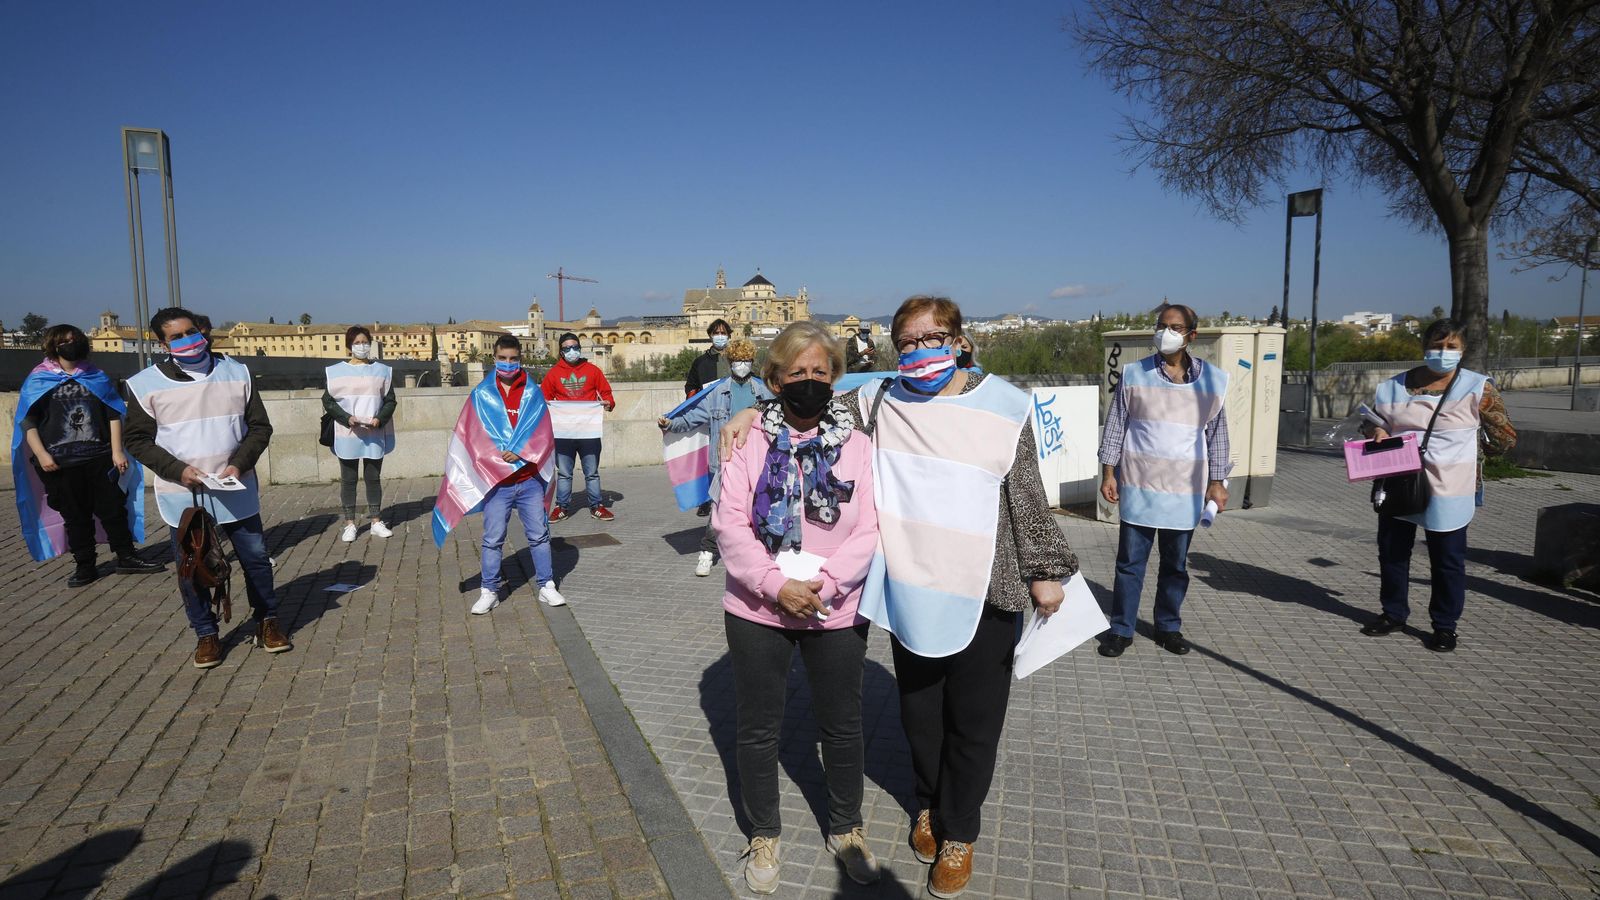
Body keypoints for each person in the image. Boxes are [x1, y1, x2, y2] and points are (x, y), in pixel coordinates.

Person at [723, 295, 1077, 899]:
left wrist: (1045, 569)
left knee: (975, 720)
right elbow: (808, 401)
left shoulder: (1005, 405)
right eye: (907, 342)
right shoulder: (880, 402)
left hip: (987, 585)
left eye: (931, 338)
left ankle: (959, 831)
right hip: (914, 586)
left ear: (959, 340)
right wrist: (748, 415)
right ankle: (926, 807)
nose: (919, 351)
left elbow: (1025, 492)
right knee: (920, 717)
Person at [712, 321, 880, 893]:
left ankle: (846, 827)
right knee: (758, 728)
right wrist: (771, 583)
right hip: (758, 607)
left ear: (834, 376)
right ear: (774, 379)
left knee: (842, 725)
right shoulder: (747, 440)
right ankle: (764, 832)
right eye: (796, 373)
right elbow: (729, 522)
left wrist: (827, 586)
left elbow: (870, 529)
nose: (808, 382)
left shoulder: (859, 446)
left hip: (835, 607)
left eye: (819, 372)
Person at [123, 307, 289, 668]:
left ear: (201, 330)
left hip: (235, 485)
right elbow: (136, 439)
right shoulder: (144, 384)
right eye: (176, 336)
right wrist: (177, 470)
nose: (187, 340)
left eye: (190, 332)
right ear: (162, 343)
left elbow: (259, 426)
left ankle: (267, 621)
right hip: (183, 493)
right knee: (192, 566)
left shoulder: (237, 371)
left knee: (256, 559)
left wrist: (239, 464)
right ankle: (206, 634)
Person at [1358, 318, 1516, 652]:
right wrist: (1377, 433)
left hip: (1450, 486)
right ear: (1423, 347)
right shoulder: (1391, 387)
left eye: (1451, 347)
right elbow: (1371, 423)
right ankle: (1393, 613)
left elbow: (1504, 437)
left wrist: (1476, 452)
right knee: (1392, 551)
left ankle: (1444, 626)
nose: (1442, 353)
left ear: (1463, 350)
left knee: (1447, 559)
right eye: (1436, 345)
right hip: (1399, 478)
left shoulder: (1477, 387)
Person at [1096, 303, 1230, 658]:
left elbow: (1218, 435)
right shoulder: (1135, 374)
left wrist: (1218, 482)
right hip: (1139, 485)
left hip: (1185, 491)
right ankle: (1121, 629)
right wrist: (1109, 472)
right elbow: (1116, 426)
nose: (1165, 332)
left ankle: (1168, 627)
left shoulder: (1212, 381)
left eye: (1174, 327)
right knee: (1129, 564)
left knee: (1175, 566)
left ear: (1191, 335)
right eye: (1161, 325)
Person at [12, 325, 164, 585]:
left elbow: (113, 413)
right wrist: (41, 453)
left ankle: (126, 556)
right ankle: (85, 565)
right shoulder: (39, 379)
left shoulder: (97, 376)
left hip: (99, 457)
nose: (72, 344)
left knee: (113, 510)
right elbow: (28, 421)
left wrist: (117, 452)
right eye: (65, 341)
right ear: (53, 346)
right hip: (59, 463)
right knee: (75, 516)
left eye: (75, 339)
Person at [448, 335, 567, 614]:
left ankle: (546, 585)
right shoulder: (481, 394)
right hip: (497, 482)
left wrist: (521, 451)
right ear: (495, 359)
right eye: (503, 358)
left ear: (520, 359)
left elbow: (544, 431)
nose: (508, 363)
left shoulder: (532, 392)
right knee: (493, 538)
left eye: (514, 359)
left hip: (528, 480)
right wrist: (498, 455)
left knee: (539, 535)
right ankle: (489, 590)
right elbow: (471, 435)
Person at [657, 338, 773, 576]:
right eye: (737, 360)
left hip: (757, 461)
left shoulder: (763, 392)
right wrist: (671, 423)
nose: (741, 364)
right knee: (719, 508)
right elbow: (692, 417)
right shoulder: (717, 393)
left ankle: (757, 556)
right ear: (730, 362)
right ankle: (707, 552)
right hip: (724, 460)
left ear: (752, 361)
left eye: (746, 360)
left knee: (758, 507)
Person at [322, 326, 398, 541]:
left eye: (365, 342)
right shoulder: (335, 371)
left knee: (373, 478)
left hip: (374, 431)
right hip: (348, 431)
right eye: (356, 343)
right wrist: (346, 418)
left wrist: (379, 418)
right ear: (349, 346)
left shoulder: (382, 371)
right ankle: (350, 523)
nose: (361, 346)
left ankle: (375, 520)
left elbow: (390, 399)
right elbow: (327, 401)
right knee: (349, 479)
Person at [540, 333, 616, 522]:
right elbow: (543, 398)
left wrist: (609, 402)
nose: (571, 351)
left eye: (575, 347)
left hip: (589, 433)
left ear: (580, 348)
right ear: (561, 351)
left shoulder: (593, 370)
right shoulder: (553, 373)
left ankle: (596, 506)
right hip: (563, 434)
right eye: (567, 348)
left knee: (592, 473)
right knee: (564, 473)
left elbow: (606, 392)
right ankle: (562, 507)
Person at [684, 318, 734, 398]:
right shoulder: (700, 362)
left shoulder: (737, 359)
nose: (720, 336)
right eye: (716, 333)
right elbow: (691, 387)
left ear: (729, 336)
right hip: (710, 407)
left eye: (723, 333)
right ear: (710, 336)